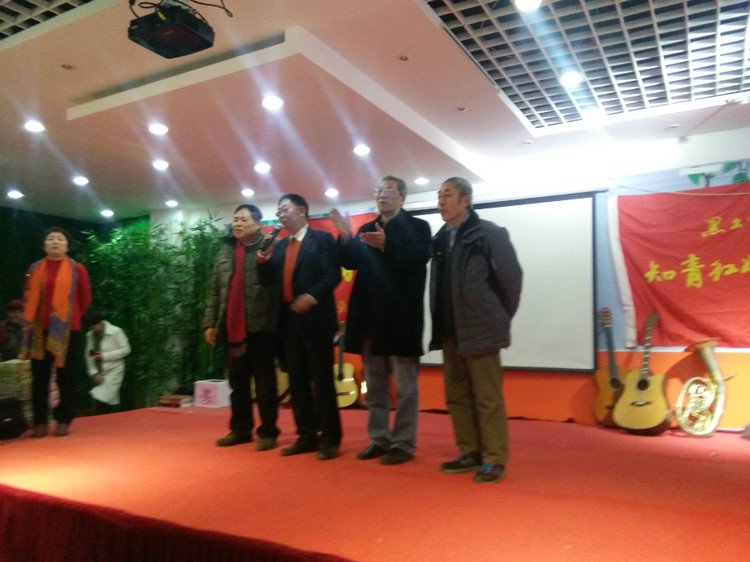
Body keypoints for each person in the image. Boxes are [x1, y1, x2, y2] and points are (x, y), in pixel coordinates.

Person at [330, 175, 431, 465]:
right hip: (370, 319)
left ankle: (403, 443)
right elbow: (350, 262)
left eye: (388, 190)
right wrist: (345, 237)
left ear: (402, 197)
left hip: (401, 319)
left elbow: (419, 257)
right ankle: (378, 438)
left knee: (406, 389)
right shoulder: (366, 228)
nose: (381, 195)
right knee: (374, 386)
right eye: (378, 190)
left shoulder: (418, 227)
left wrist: (388, 244)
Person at [429, 177, 522, 484]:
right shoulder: (440, 238)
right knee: (457, 396)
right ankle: (470, 451)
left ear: (466, 200)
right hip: (449, 330)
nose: (441, 201)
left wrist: (496, 318)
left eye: (447, 195)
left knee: (487, 398)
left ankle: (494, 458)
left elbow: (512, 281)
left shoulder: (489, 234)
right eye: (439, 196)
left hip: (480, 330)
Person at [257, 194, 342, 460]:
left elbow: (333, 274)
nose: (280, 215)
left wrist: (312, 296)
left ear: (302, 210)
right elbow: (267, 281)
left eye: (285, 209)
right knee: (297, 381)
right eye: (278, 211)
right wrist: (263, 260)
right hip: (288, 321)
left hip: (316, 319)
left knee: (322, 380)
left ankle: (330, 438)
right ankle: (306, 435)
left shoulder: (322, 239)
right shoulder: (281, 245)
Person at [203, 204, 280, 450]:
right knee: (237, 384)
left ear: (258, 224)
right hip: (231, 328)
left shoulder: (270, 247)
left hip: (260, 327)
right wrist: (210, 323)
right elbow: (215, 291)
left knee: (265, 385)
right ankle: (240, 430)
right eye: (235, 219)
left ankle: (268, 432)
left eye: (244, 219)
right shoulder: (225, 252)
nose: (237, 223)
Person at [19, 226, 92, 437]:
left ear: (67, 246)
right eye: (50, 239)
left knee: (65, 377)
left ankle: (64, 419)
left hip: (67, 330)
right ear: (44, 245)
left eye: (60, 239)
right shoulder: (33, 268)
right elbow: (27, 295)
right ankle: (40, 422)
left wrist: (70, 317)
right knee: (39, 378)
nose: (55, 242)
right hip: (38, 331)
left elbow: (85, 298)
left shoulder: (78, 269)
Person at [84, 310, 131, 415]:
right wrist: (94, 373)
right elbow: (89, 355)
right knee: (103, 401)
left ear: (100, 323)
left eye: (93, 327)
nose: (92, 330)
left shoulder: (116, 331)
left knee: (102, 399)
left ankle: (101, 422)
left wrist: (104, 356)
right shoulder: (90, 335)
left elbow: (126, 350)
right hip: (99, 371)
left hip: (114, 370)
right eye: (90, 328)